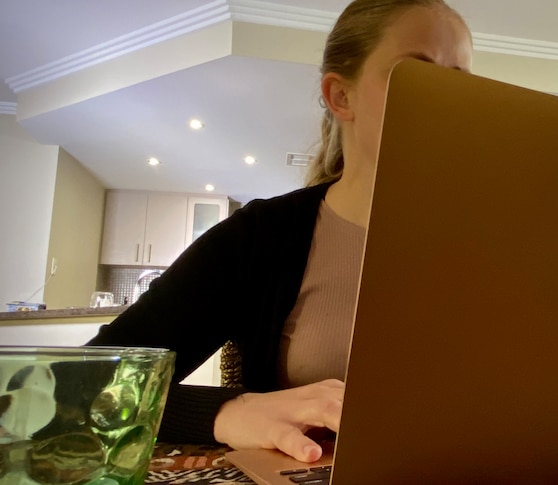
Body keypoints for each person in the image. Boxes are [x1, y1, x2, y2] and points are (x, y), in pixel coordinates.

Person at [87, 0, 473, 464]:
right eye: (414, 73)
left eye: (458, 82)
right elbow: (88, 383)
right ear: (341, 97)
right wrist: (230, 411)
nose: (444, 97)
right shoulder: (261, 237)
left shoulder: (498, 237)